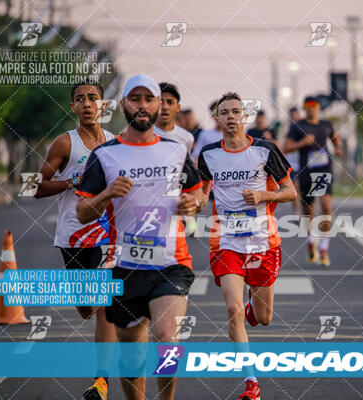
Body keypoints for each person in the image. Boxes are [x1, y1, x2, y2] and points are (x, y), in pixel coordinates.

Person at [75, 74, 203, 400]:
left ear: (159, 105)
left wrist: (193, 204)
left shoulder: (175, 150)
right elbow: (82, 211)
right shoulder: (105, 155)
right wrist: (105, 195)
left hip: (171, 262)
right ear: (124, 105)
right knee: (131, 360)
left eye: (149, 99)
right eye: (136, 99)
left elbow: (196, 194)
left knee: (167, 338)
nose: (142, 105)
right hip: (125, 267)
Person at [198, 92, 296, 400]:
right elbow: (201, 194)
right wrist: (192, 203)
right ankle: (251, 381)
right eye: (223, 112)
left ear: (244, 117)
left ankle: (253, 310)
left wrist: (264, 197)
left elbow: (290, 192)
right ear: (217, 118)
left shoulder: (265, 150)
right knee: (232, 308)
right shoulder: (209, 155)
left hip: (263, 241)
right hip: (226, 242)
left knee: (264, 318)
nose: (229, 116)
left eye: (235, 111)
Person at [34, 80, 116, 400]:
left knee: (105, 302)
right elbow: (38, 186)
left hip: (107, 234)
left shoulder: (115, 144)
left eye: (92, 98)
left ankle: (101, 381)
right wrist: (72, 182)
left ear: (103, 106)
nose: (86, 103)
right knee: (86, 307)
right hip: (73, 235)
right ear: (72, 107)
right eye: (80, 99)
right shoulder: (64, 144)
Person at [283, 96, 343, 266]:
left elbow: (335, 137)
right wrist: (302, 142)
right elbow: (285, 148)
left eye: (314, 105)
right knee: (309, 210)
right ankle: (311, 240)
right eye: (308, 106)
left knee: (326, 205)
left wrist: (338, 147)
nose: (311, 108)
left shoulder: (326, 125)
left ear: (318, 108)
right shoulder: (298, 126)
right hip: (306, 171)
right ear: (304, 108)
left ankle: (324, 245)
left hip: (323, 169)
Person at [153, 82, 194, 152]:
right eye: (160, 102)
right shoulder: (143, 135)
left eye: (170, 102)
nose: (165, 107)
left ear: (178, 107)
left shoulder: (187, 138)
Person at [283, 107, 301, 214]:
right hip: (292, 164)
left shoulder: (304, 128)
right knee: (296, 188)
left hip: (304, 163)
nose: (295, 119)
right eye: (292, 117)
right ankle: (296, 211)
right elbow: (284, 148)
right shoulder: (288, 131)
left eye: (296, 116)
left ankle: (306, 211)